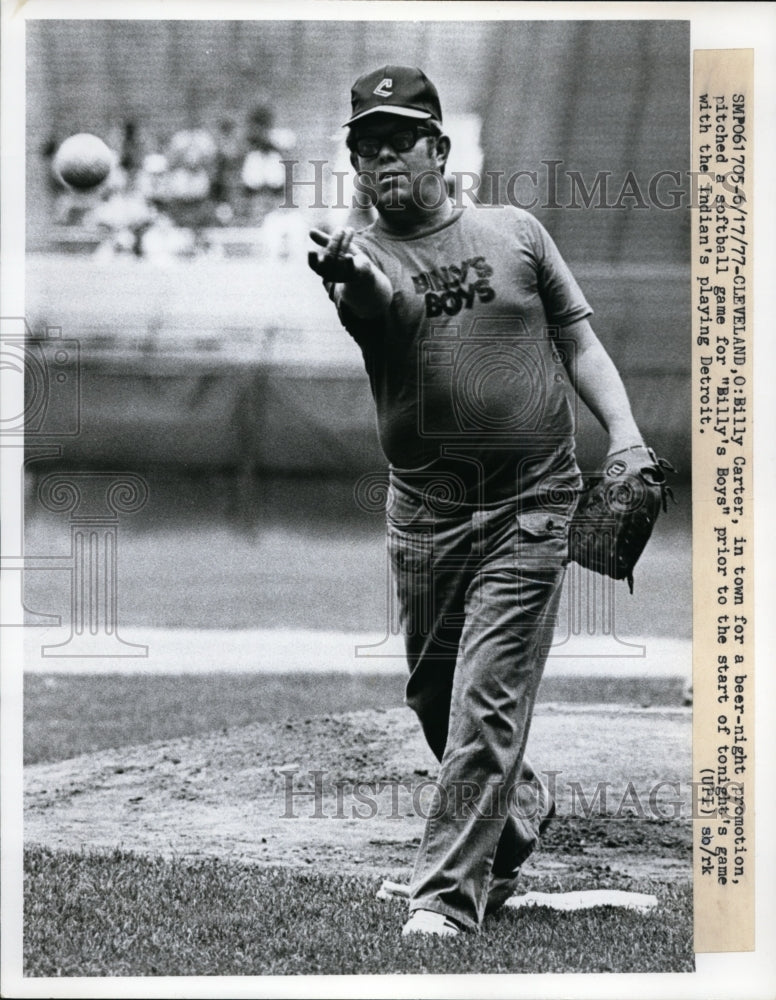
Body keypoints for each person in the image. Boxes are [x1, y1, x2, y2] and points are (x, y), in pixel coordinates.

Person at [308, 65, 645, 937]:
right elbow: (376, 302)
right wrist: (348, 274)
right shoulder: (363, 258)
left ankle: (447, 901)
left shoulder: (516, 233)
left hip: (533, 502)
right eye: (365, 147)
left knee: (485, 699)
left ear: (440, 149)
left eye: (398, 141)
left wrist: (626, 435)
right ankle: (517, 813)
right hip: (425, 514)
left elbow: (579, 342)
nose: (381, 160)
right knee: (435, 697)